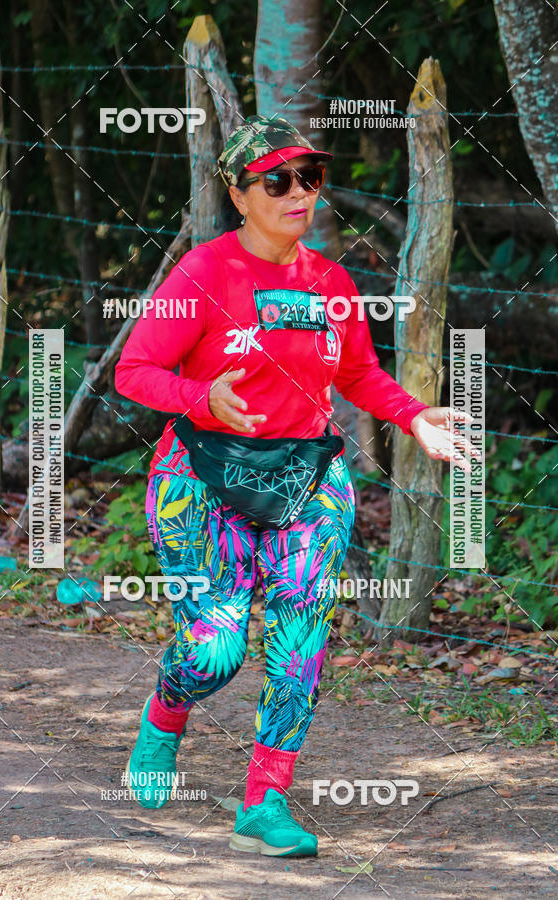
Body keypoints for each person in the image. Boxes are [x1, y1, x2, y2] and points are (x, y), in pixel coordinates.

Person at [114, 114, 478, 858]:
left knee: (300, 644)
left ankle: (264, 803)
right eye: (276, 180)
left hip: (308, 481)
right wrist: (200, 398)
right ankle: (164, 717)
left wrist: (414, 417)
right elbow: (133, 371)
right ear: (238, 194)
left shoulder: (331, 281)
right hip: (204, 481)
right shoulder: (204, 273)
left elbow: (358, 375)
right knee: (216, 654)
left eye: (308, 178)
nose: (297, 192)